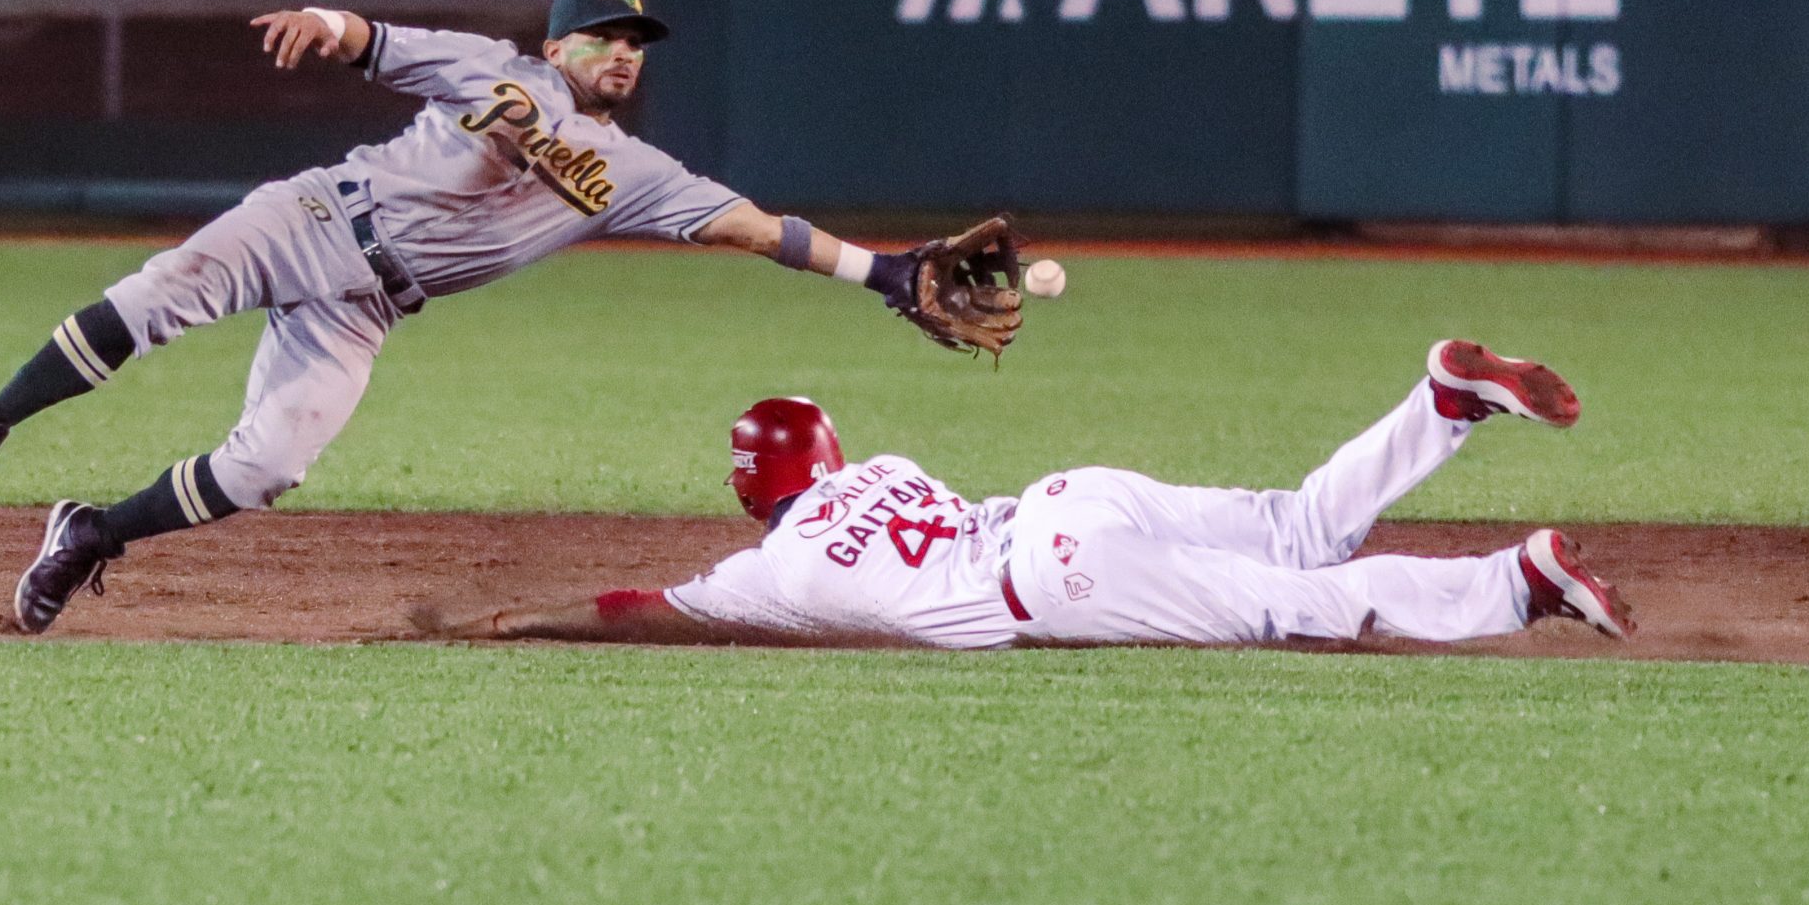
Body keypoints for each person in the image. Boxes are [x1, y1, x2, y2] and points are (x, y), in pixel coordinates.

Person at [0, 0, 989, 634]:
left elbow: (757, 229)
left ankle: (92, 535)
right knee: (162, 294)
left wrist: (885, 271)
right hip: (317, 218)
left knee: (266, 466)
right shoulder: (489, 66)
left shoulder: (639, 170)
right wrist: (321, 22)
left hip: (370, 306)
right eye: (604, 36)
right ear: (556, 42)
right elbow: (368, 40)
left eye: (636, 44)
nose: (622, 52)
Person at [424, 340, 1636, 650]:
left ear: (752, 489)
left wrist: (517, 619)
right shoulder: (885, 466)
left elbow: (640, 610)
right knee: (1293, 527)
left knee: (1293, 601)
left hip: (1050, 576)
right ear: (834, 453)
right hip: (1062, 496)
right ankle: (1437, 406)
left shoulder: (766, 571)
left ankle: (1515, 582)